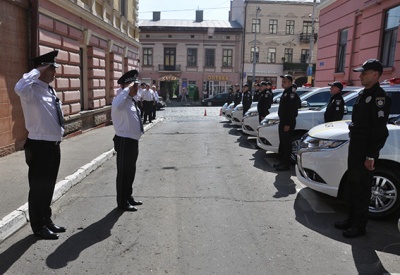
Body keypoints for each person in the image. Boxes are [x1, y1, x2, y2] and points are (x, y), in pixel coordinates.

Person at [334, 59, 391, 238]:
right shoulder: (363, 94)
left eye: (364, 73)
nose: (360, 76)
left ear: (375, 75)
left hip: (365, 150)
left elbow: (380, 131)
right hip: (356, 147)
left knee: (362, 188)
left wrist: (371, 155)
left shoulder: (379, 98)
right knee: (353, 185)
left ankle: (359, 225)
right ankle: (351, 219)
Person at [14, 50, 66, 240]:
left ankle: (46, 219)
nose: (55, 72)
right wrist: (37, 70)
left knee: (49, 186)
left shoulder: (49, 89)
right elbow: (19, 87)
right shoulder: (31, 90)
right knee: (38, 188)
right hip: (39, 146)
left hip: (53, 145)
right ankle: (38, 226)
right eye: (52, 68)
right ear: (43, 68)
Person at [111, 69, 144, 212]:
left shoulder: (130, 100)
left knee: (131, 171)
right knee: (123, 172)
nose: (137, 89)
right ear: (126, 86)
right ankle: (122, 201)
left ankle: (128, 196)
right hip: (124, 140)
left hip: (132, 141)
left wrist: (131, 89)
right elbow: (116, 105)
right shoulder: (120, 100)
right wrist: (127, 88)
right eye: (134, 86)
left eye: (136, 86)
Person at [274, 76, 301, 171]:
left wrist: (288, 124)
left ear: (290, 83)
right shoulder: (286, 92)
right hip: (283, 121)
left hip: (287, 123)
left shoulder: (291, 95)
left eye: (284, 81)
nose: (282, 83)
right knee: (283, 143)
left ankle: (286, 165)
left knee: (286, 144)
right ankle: (281, 162)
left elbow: (291, 111)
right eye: (282, 81)